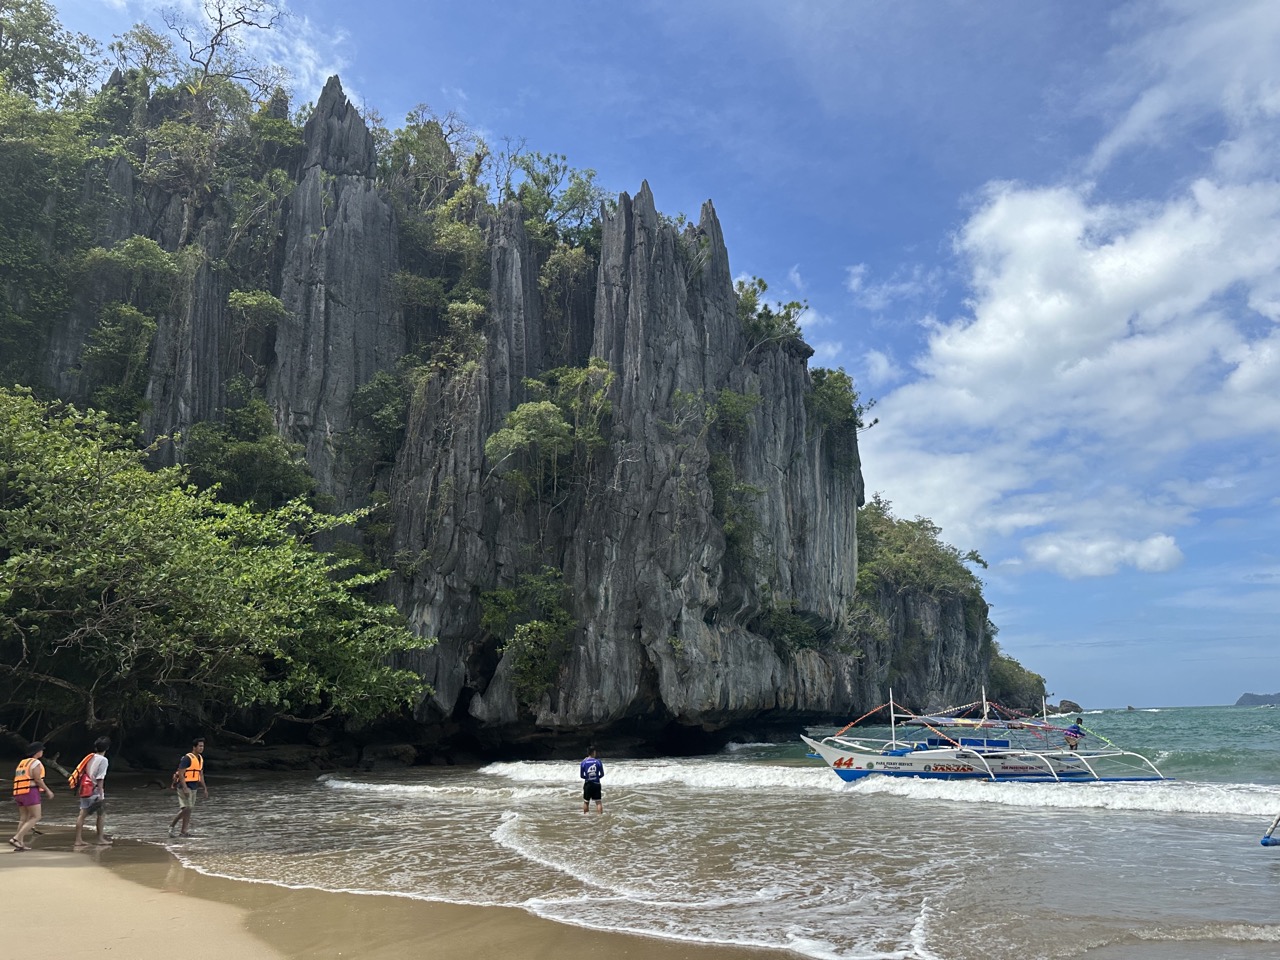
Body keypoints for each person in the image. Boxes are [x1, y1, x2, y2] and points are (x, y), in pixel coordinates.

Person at [10, 742, 54, 851]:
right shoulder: (35, 763)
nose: (42, 752)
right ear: (37, 752)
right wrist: (48, 790)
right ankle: (16, 838)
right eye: (41, 750)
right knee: (36, 816)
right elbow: (37, 779)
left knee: (24, 818)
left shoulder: (23, 763)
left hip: (18, 792)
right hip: (30, 791)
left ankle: (20, 843)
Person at [72, 737, 113, 848]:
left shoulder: (90, 757)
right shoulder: (103, 760)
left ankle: (78, 840)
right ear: (107, 748)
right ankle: (100, 839)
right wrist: (100, 794)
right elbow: (100, 778)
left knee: (82, 815)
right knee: (101, 814)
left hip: (84, 788)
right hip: (94, 790)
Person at [167, 737, 209, 838]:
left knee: (189, 809)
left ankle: (184, 832)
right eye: (200, 746)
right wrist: (185, 787)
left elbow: (201, 775)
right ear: (194, 747)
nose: (201, 748)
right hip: (184, 785)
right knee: (187, 808)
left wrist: (205, 788)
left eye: (203, 746)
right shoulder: (187, 758)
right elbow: (181, 774)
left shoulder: (200, 759)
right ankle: (171, 826)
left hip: (194, 785)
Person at [580, 746, 604, 814]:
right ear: (594, 752)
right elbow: (602, 774)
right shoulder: (598, 762)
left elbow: (581, 776)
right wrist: (597, 777)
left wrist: (588, 778)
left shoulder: (583, 762)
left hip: (588, 784)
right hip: (596, 784)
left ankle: (586, 817)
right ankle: (600, 817)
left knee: (586, 802)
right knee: (598, 802)